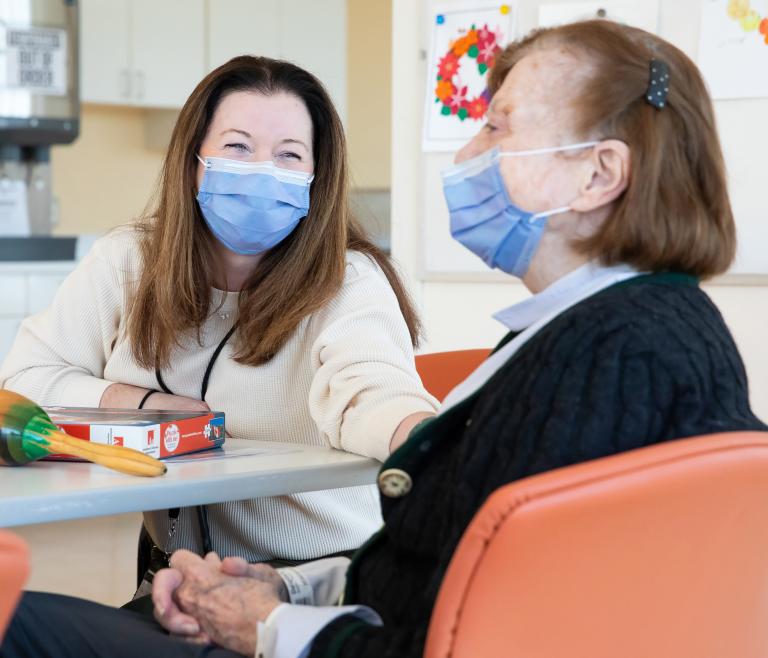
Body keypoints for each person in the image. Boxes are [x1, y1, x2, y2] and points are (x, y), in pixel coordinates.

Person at [3, 19, 767, 658]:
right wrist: (282, 592)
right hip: (297, 594)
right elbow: (447, 581)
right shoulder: (615, 338)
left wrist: (264, 622)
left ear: (599, 175)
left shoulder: (604, 360)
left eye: (496, 125)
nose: (467, 155)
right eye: (237, 147)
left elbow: (469, 628)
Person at [0, 56, 437, 586]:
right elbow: (21, 384)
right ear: (192, 163)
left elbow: (371, 391)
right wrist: (141, 404)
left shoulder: (350, 279)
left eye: (290, 154)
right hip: (176, 574)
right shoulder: (127, 262)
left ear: (316, 179)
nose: (262, 170)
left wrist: (427, 440)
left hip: (317, 578)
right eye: (237, 147)